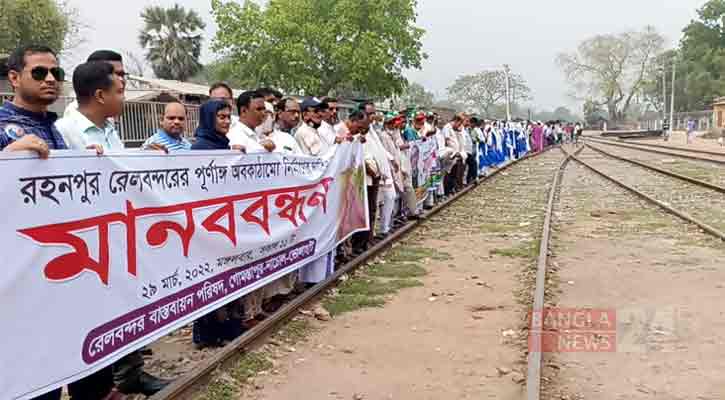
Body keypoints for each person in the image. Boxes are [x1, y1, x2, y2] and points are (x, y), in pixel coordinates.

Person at [55, 60, 171, 397]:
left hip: (117, 236)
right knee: (86, 318)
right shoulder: (66, 131)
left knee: (117, 309)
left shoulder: (109, 129)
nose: (124, 96)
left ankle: (116, 381)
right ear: (100, 95)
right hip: (82, 243)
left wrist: (146, 156)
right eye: (120, 91)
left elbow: (120, 170)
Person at [0, 45, 67, 157]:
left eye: (56, 73)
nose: (51, 79)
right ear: (14, 78)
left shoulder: (52, 126)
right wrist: (8, 155)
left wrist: (87, 157)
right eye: (39, 72)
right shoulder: (2, 122)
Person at [64, 50, 126, 117]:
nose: (121, 79)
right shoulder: (75, 116)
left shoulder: (109, 112)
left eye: (122, 74)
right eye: (114, 74)